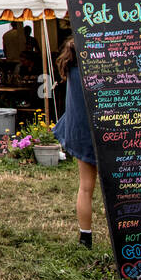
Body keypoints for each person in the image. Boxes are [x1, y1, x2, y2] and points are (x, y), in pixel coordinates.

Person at [52, 37, 97, 248]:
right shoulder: (95, 72)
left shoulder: (71, 69)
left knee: (86, 187)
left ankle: (85, 236)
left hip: (80, 132)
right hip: (103, 132)